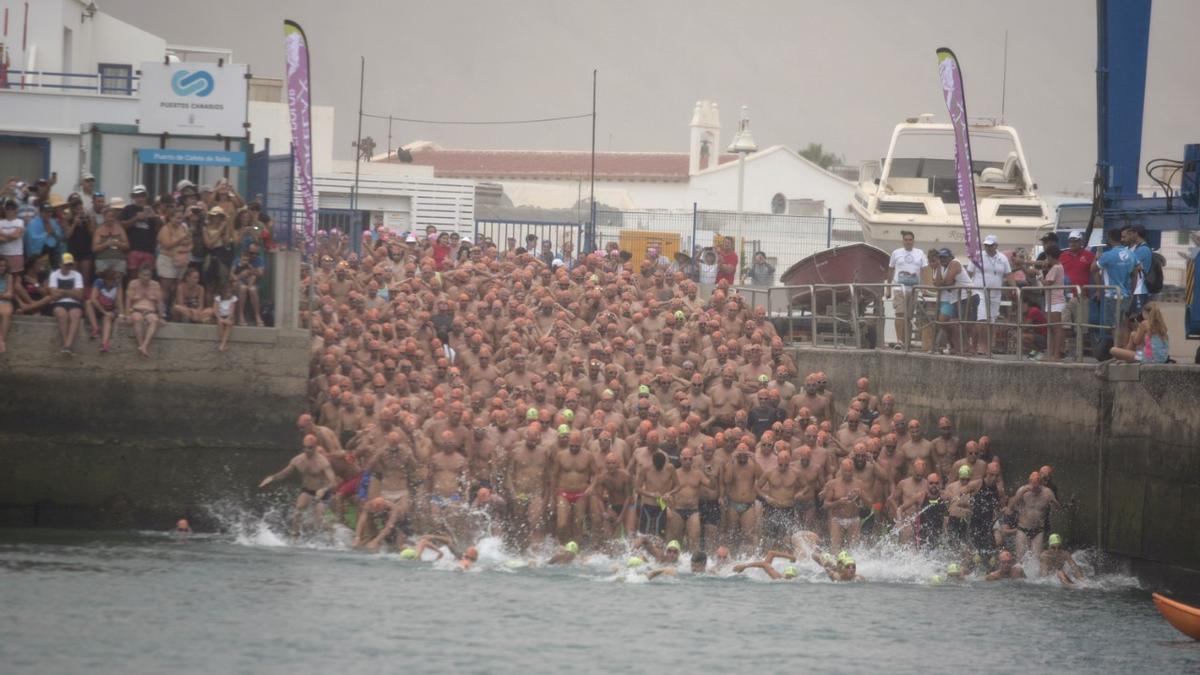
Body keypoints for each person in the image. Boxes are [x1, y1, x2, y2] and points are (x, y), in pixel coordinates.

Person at [258, 434, 338, 538]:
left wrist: (324, 489)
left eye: (309, 448)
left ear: (315, 447)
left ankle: (332, 530)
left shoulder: (323, 462)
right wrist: (272, 478)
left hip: (322, 492)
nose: (307, 450)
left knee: (318, 523)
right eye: (305, 447)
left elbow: (334, 482)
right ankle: (295, 536)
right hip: (307, 490)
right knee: (298, 511)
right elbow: (285, 473)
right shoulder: (298, 460)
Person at [966, 235, 1012, 355]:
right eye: (986, 245)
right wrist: (967, 288)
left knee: (991, 321)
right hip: (979, 291)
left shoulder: (1002, 258)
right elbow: (969, 273)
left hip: (996, 294)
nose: (988, 247)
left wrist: (1015, 289)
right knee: (982, 319)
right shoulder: (977, 256)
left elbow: (1009, 274)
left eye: (990, 245)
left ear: (996, 246)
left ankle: (980, 346)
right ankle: (982, 346)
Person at [887, 231, 928, 348]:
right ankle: (899, 341)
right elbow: (890, 269)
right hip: (899, 288)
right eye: (906, 239)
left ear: (913, 241)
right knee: (900, 313)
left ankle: (906, 342)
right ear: (903, 241)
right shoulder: (896, 253)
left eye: (910, 240)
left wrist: (924, 287)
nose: (908, 242)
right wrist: (888, 288)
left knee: (909, 317)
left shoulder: (920, 253)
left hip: (914, 289)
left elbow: (924, 270)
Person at [931, 248, 970, 354]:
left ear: (950, 257)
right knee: (945, 324)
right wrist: (939, 267)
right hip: (950, 299)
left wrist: (944, 283)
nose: (942, 259)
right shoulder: (940, 267)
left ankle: (961, 346)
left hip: (957, 298)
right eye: (940, 257)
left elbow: (947, 283)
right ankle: (953, 345)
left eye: (944, 257)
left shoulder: (954, 264)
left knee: (948, 322)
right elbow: (938, 283)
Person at [46, 253, 85, 354]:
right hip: (58, 303)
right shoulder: (54, 274)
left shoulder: (77, 275)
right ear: (60, 264)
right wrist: (72, 292)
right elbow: (53, 295)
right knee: (62, 314)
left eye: (70, 264)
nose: (68, 266)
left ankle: (68, 345)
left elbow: (79, 295)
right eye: (66, 264)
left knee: (75, 315)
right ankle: (65, 344)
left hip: (74, 303)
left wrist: (62, 291)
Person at [156, 206, 192, 312]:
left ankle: (173, 311)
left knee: (176, 287)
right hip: (167, 260)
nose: (179, 221)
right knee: (166, 287)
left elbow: (190, 242)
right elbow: (167, 244)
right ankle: (161, 311)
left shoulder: (183, 228)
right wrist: (181, 239)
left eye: (181, 218)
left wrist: (184, 247)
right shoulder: (165, 229)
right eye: (177, 218)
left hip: (181, 260)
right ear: (170, 218)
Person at [125, 263, 164, 357]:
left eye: (148, 275)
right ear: (139, 275)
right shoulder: (133, 283)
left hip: (151, 311)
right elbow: (128, 300)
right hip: (136, 310)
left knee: (154, 320)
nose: (146, 277)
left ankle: (144, 345)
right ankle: (141, 345)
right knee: (137, 319)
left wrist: (161, 316)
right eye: (144, 275)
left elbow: (159, 302)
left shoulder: (156, 285)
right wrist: (127, 315)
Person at [85, 267, 124, 353]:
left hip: (111, 309)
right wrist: (104, 312)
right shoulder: (99, 282)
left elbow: (119, 301)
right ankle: (95, 328)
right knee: (88, 303)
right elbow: (93, 298)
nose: (113, 282)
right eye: (112, 280)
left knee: (107, 318)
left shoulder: (118, 285)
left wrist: (121, 315)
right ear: (106, 279)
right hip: (100, 307)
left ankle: (105, 343)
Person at [1038, 245, 1066, 361]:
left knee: (1056, 328)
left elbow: (1047, 283)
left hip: (1056, 301)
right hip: (1051, 301)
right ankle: (1051, 354)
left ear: (1049, 256)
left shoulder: (1056, 268)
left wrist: (1039, 277)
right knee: (1051, 328)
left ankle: (1056, 354)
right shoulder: (1058, 267)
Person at [732, 550, 799, 580]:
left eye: (788, 576)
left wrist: (744, 566)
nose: (788, 577)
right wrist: (791, 557)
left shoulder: (778, 578)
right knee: (771, 554)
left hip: (735, 572)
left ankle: (738, 567)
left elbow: (764, 564)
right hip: (735, 571)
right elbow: (771, 553)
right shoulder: (781, 577)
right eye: (788, 576)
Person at [0, 199, 26, 275]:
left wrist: (2, 233)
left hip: (17, 254)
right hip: (3, 255)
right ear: (5, 209)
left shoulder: (20, 221)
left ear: (16, 209)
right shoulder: (0, 222)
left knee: (16, 276)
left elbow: (16, 235)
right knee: (4, 276)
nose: (10, 210)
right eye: (8, 208)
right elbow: (14, 236)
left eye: (12, 208)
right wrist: (12, 237)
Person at [214, 280, 238, 352]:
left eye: (230, 292)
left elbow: (232, 310)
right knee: (220, 323)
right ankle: (223, 344)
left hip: (229, 316)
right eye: (227, 292)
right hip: (220, 316)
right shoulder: (218, 298)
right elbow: (215, 310)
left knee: (229, 324)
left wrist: (228, 318)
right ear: (223, 291)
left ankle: (222, 345)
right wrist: (220, 318)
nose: (229, 294)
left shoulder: (233, 298)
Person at [0, 256, 13, 353]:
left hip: (5, 301)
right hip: (2, 299)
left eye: (4, 266)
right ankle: (1, 344)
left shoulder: (9, 277)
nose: (2, 268)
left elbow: (10, 295)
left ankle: (2, 341)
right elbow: (6, 294)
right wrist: (3, 295)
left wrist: (2, 295)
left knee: (7, 313)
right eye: (0, 266)